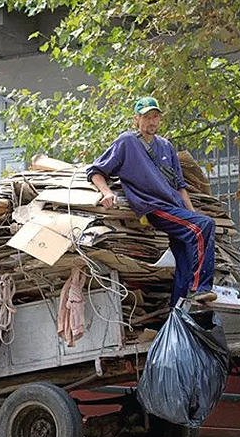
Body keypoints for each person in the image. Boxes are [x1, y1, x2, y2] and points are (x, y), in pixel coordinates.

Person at [86, 96, 217, 305]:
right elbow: (96, 171)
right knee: (205, 225)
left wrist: (193, 214)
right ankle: (200, 288)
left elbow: (180, 187)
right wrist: (106, 192)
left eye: (155, 117)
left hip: (176, 209)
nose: (152, 122)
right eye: (147, 117)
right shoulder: (126, 142)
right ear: (136, 119)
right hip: (154, 208)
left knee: (184, 262)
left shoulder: (166, 146)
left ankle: (177, 315)